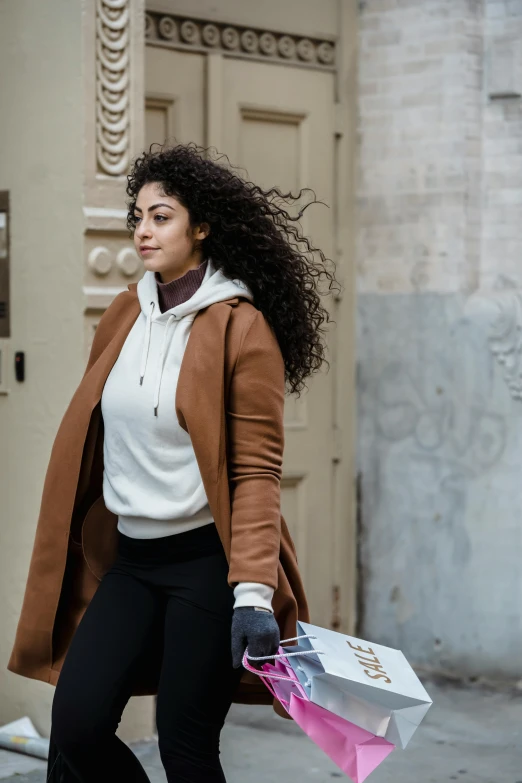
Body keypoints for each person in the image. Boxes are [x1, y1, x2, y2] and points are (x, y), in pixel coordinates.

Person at [8, 142, 339, 782]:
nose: (142, 230)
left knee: (187, 749)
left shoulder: (241, 329)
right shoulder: (125, 312)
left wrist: (252, 597)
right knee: (76, 728)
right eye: (137, 216)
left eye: (161, 216)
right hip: (130, 562)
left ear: (202, 227)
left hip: (205, 569)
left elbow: (256, 474)